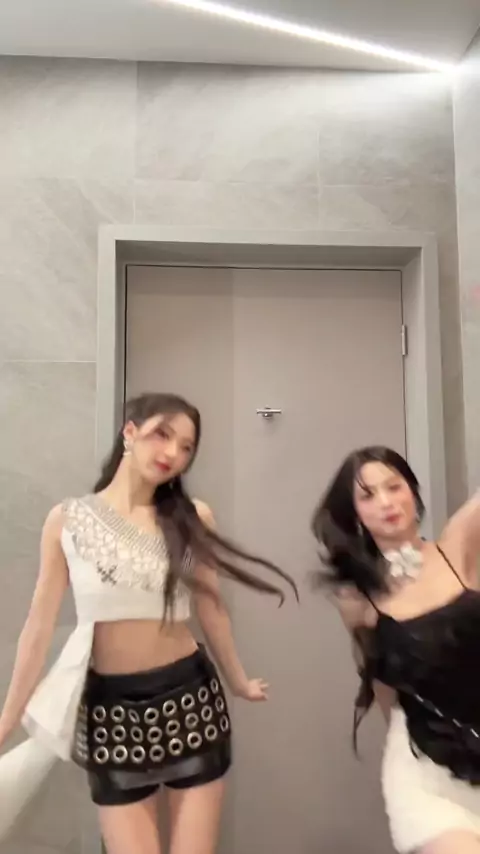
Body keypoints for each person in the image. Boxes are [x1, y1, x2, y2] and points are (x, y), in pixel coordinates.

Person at [0, 392, 297, 854]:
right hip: (110, 712)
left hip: (190, 702)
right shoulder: (67, 520)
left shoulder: (192, 518)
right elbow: (38, 626)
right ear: (130, 432)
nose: (172, 453)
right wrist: (7, 719)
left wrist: (238, 680)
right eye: (163, 434)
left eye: (186, 447)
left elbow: (211, 607)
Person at [311, 445, 480, 854]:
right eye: (368, 495)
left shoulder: (457, 546)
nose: (386, 502)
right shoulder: (356, 599)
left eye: (394, 486)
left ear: (413, 491)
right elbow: (380, 683)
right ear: (354, 514)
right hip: (426, 773)